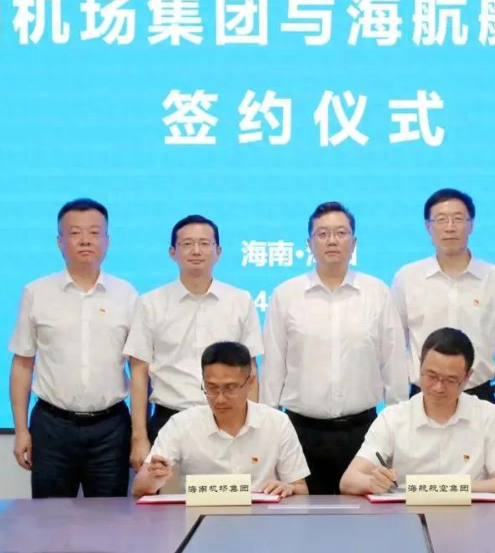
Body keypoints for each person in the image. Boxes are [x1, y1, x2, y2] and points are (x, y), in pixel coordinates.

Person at [261, 201, 409, 494]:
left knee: (364, 518)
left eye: (341, 233)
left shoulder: (377, 293)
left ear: (353, 243)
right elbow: (273, 370)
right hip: (300, 433)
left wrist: (397, 429)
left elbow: (393, 365)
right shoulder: (286, 295)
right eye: (323, 233)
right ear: (309, 243)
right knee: (299, 517)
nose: (332, 240)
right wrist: (268, 432)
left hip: (363, 433)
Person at [9, 198, 138, 498]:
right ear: (60, 242)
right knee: (50, 517)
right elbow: (22, 363)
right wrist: (20, 430)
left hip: (111, 428)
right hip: (52, 426)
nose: (85, 240)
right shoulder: (36, 292)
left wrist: (139, 434)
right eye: (75, 233)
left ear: (107, 241)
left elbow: (139, 368)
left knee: (109, 517)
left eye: (94, 232)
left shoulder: (126, 294)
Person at [123, 215, 263, 472]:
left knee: (229, 496)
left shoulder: (240, 301)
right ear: (172, 252)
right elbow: (139, 372)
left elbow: (251, 370)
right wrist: (139, 437)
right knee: (167, 496)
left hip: (228, 421)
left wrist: (252, 429)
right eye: (187, 244)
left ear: (218, 251)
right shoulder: (151, 303)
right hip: (169, 420)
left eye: (205, 243)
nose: (196, 251)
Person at [391, 188, 495, 440]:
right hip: (422, 400)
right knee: (420, 467)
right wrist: (396, 409)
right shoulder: (407, 278)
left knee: (479, 468)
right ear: (428, 226)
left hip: (479, 399)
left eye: (458, 219)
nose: (450, 227)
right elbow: (394, 349)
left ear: (471, 224)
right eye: (441, 219)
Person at [340, 327, 495, 495]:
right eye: (432, 376)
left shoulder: (487, 416)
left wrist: (448, 489)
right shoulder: (393, 418)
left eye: (450, 380)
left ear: (467, 377)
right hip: (406, 513)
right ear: (420, 366)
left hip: (468, 512)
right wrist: (372, 482)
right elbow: (348, 481)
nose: (438, 387)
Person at [132, 341, 309, 498]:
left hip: (261, 520)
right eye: (211, 387)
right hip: (198, 519)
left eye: (230, 388)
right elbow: (138, 488)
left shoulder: (277, 423)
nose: (220, 399)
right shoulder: (180, 425)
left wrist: (289, 488)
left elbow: (301, 489)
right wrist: (153, 479)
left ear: (250, 382)